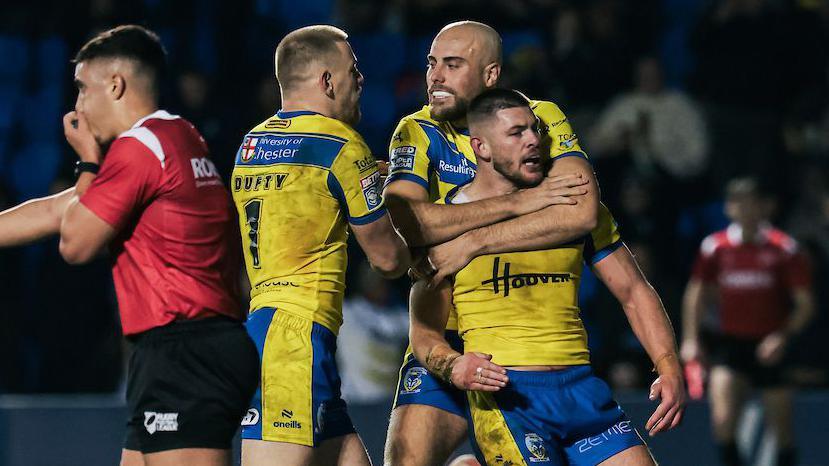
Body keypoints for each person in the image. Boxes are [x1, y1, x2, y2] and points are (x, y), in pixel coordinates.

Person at [0, 25, 259, 466]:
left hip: (185, 351)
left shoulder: (138, 147)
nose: (77, 107)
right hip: (180, 350)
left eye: (82, 89)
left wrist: (86, 160)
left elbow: (74, 243)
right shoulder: (175, 137)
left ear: (115, 85)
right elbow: (56, 211)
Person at [408, 88, 684, 466]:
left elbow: (634, 291)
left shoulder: (573, 208)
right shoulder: (446, 225)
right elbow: (424, 335)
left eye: (535, 129)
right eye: (516, 132)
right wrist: (454, 366)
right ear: (481, 147)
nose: (534, 139)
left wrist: (668, 365)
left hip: (582, 391)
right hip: (509, 399)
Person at [383, 21, 599, 466]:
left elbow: (579, 212)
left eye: (453, 64)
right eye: (431, 63)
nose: (435, 76)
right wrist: (524, 203)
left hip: (520, 343)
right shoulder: (416, 130)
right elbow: (410, 226)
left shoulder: (539, 119)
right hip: (445, 331)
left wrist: (471, 240)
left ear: (491, 75)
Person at [233, 25, 411, 466]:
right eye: (354, 70)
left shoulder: (251, 145)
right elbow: (388, 259)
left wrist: (367, 179)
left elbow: (304, 208)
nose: (361, 80)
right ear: (327, 81)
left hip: (273, 328)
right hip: (295, 340)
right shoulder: (342, 145)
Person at [681, 177, 815, 466]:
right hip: (729, 344)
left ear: (764, 207)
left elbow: (805, 304)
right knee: (722, 419)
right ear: (729, 209)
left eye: (751, 203)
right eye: (737, 203)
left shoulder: (784, 249)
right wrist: (691, 339)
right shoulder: (714, 247)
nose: (744, 210)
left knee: (781, 429)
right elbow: (696, 294)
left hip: (770, 347)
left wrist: (782, 336)